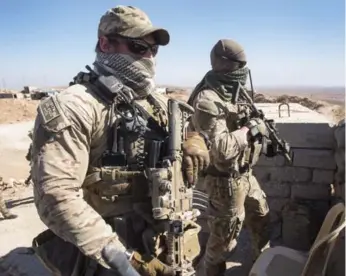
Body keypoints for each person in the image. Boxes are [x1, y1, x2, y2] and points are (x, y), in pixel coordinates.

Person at [28, 5, 209, 276]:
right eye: (138, 47)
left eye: (153, 50)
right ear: (105, 43)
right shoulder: (74, 106)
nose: (148, 56)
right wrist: (125, 259)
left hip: (164, 242)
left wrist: (194, 139)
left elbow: (188, 128)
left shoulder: (156, 102)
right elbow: (55, 197)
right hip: (109, 254)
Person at [187, 39, 270, 275]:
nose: (244, 70)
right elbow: (221, 150)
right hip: (224, 182)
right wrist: (248, 131)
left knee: (262, 216)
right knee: (223, 244)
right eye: (240, 65)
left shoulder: (233, 91)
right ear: (225, 65)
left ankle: (259, 265)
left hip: (244, 174)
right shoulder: (207, 100)